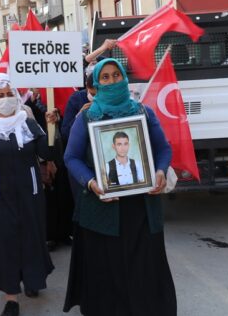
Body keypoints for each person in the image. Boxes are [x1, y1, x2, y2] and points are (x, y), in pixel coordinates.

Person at [63, 58, 176, 315]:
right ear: (97, 83)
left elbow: (163, 148)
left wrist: (159, 171)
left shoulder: (143, 113)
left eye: (116, 75)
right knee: (107, 276)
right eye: (105, 77)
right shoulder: (86, 117)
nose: (112, 80)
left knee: (144, 274)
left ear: (124, 77)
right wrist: (91, 183)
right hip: (102, 212)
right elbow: (71, 158)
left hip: (142, 210)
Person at [0, 75, 55, 316]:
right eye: (1, 95)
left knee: (31, 236)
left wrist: (53, 128)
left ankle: (32, 279)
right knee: (5, 242)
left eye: (10, 94)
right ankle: (11, 297)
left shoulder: (28, 124)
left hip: (30, 193)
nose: (6, 99)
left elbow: (47, 152)